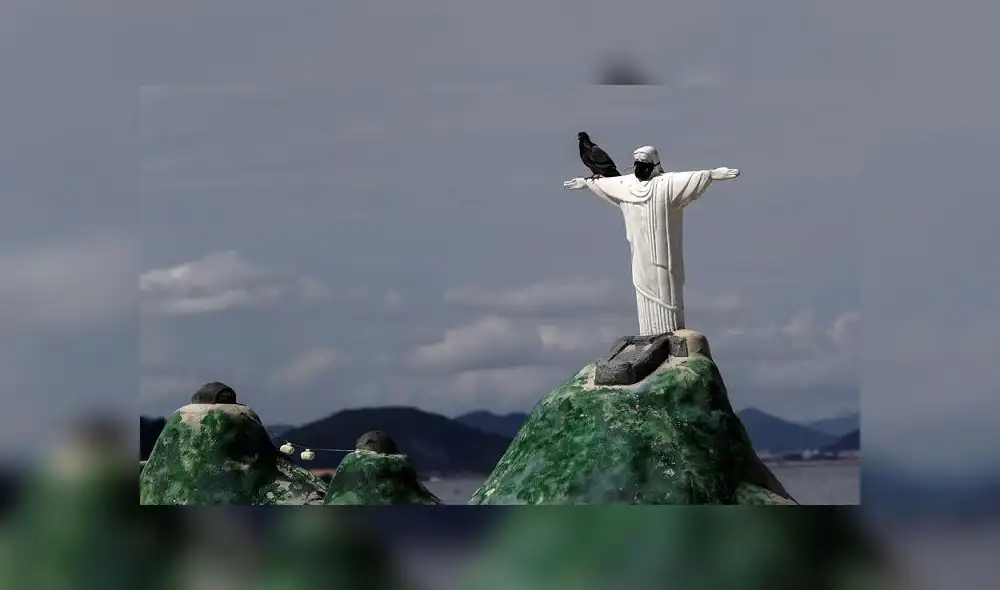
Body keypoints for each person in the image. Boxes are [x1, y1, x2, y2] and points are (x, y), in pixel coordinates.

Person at [563, 145, 740, 334]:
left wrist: (712, 175)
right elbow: (605, 184)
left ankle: (670, 332)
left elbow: (692, 178)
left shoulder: (666, 184)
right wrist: (585, 183)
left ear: (654, 164)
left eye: (644, 163)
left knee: (666, 287)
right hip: (640, 252)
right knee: (642, 286)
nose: (639, 167)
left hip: (664, 252)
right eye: (636, 163)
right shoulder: (627, 185)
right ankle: (649, 333)